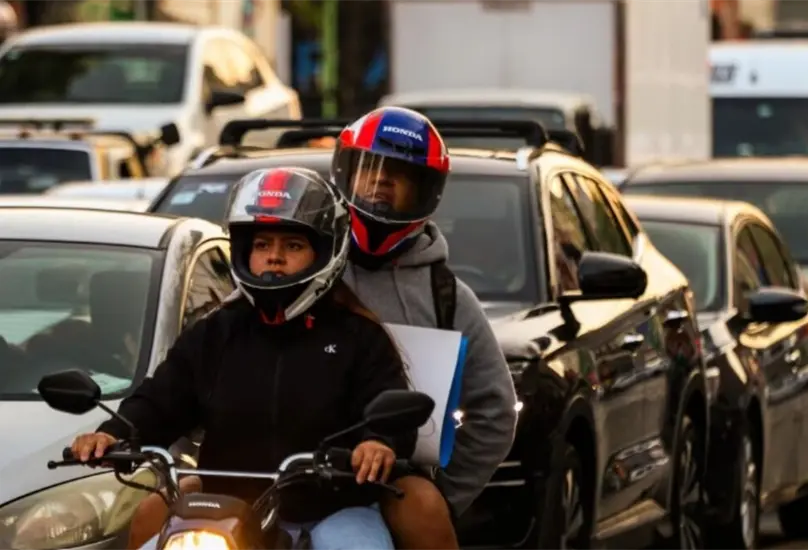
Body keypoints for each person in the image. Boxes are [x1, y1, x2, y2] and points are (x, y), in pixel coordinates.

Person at [68, 167, 415, 550]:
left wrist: (379, 442)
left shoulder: (359, 337)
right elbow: (161, 400)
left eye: (293, 246)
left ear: (324, 252)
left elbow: (389, 406)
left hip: (333, 509)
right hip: (224, 512)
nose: (274, 258)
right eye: (262, 245)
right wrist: (112, 434)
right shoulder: (214, 333)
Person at [331, 106, 518, 550]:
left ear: (425, 191)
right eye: (370, 168)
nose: (381, 182)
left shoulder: (448, 298)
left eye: (399, 174)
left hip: (392, 485)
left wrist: (442, 499)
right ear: (346, 172)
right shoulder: (302, 270)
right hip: (284, 475)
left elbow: (495, 412)